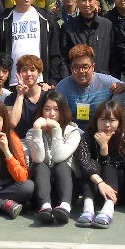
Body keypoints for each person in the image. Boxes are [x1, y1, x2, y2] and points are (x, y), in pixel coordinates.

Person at [73, 100, 125, 228]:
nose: (107, 125)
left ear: (119, 122)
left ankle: (108, 209)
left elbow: (115, 166)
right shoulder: (88, 136)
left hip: (119, 190)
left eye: (112, 120)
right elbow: (84, 162)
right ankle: (88, 208)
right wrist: (100, 183)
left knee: (109, 167)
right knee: (92, 166)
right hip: (96, 188)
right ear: (96, 120)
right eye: (102, 119)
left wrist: (104, 148)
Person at [24, 90, 81, 224]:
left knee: (62, 165)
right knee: (40, 165)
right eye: (47, 109)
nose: (52, 114)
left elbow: (59, 156)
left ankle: (65, 207)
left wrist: (56, 129)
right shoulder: (33, 132)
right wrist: (37, 129)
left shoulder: (72, 132)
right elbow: (38, 158)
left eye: (56, 109)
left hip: (67, 190)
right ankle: (45, 207)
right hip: (42, 190)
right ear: (41, 111)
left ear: (63, 111)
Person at [0, 0, 62, 87]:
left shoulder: (45, 17)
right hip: (13, 80)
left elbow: (54, 50)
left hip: (40, 80)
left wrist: (52, 80)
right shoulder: (4, 18)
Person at [55, 44, 125, 125]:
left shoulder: (106, 82)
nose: (81, 71)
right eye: (76, 67)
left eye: (85, 67)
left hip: (102, 129)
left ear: (93, 66)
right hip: (73, 130)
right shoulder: (63, 87)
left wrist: (122, 87)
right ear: (71, 68)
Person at [59, 0, 113, 78]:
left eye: (90, 0)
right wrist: (67, 78)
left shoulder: (107, 25)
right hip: (77, 78)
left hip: (103, 77)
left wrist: (113, 79)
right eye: (83, 0)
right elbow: (63, 57)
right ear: (77, 2)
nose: (87, 4)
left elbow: (114, 56)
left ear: (96, 2)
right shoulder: (68, 27)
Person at [5, 54, 49, 138]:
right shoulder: (11, 98)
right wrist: (20, 95)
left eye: (32, 70)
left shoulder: (48, 95)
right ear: (19, 73)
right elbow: (12, 123)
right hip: (21, 141)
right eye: (24, 70)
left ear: (39, 72)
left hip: (44, 140)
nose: (28, 74)